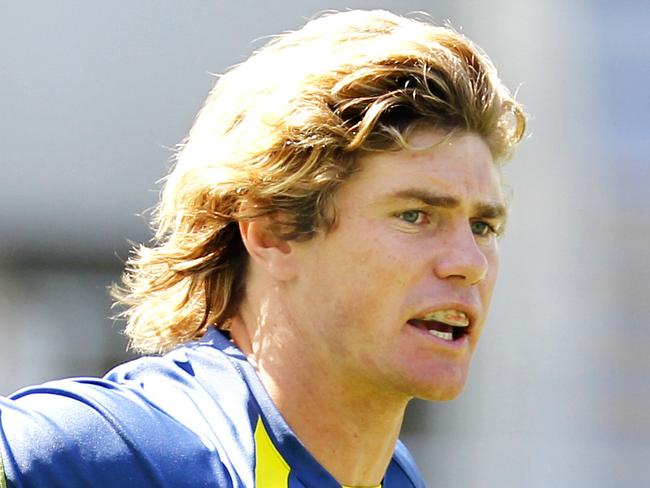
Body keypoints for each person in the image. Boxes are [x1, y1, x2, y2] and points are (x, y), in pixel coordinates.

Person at [0, 9, 525, 488]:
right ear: (272, 232)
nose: (469, 263)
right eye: (414, 216)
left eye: (482, 226)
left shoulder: (396, 476)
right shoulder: (105, 452)